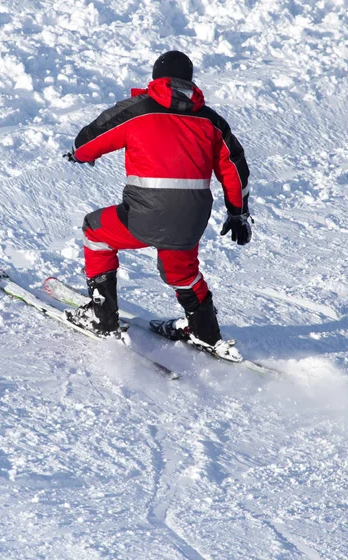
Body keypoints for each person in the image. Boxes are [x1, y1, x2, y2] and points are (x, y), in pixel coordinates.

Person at [64, 50, 251, 359]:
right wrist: (238, 213)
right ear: (190, 82)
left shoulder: (139, 110)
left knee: (95, 231)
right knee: (182, 273)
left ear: (156, 78)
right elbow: (234, 167)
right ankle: (206, 333)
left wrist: (79, 154)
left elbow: (89, 139)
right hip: (190, 220)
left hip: (143, 216)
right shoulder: (212, 121)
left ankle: (103, 317)